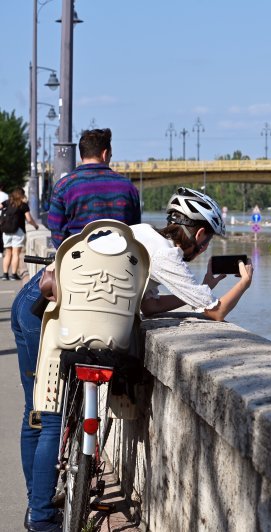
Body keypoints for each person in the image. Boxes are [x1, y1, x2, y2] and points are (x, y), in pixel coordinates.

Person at [12, 127, 140, 532]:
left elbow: (57, 239)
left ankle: (39, 511)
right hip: (109, 312)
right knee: (49, 418)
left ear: (82, 153)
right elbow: (131, 240)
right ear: (107, 152)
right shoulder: (126, 188)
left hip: (64, 301)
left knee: (41, 414)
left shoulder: (65, 186)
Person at [131, 187, 253, 320]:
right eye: (208, 240)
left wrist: (198, 291)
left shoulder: (142, 231)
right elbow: (217, 312)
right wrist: (244, 283)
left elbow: (151, 306)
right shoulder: (165, 254)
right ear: (199, 234)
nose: (205, 248)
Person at [2, 188, 40, 280]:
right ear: (22, 195)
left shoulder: (7, 203)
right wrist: (35, 226)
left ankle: (5, 274)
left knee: (8, 253)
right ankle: (14, 275)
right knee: (15, 253)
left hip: (6, 231)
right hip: (18, 231)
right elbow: (29, 219)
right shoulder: (23, 206)